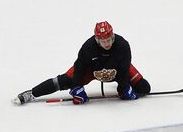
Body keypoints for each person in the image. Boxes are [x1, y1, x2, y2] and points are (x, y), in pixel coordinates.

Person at [13, 21, 151, 105]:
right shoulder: (88, 47)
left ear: (112, 35)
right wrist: (76, 88)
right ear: (97, 39)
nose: (107, 43)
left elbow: (124, 68)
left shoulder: (123, 45)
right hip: (92, 70)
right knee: (64, 80)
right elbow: (79, 68)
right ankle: (31, 93)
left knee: (144, 88)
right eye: (103, 41)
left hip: (118, 70)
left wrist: (123, 89)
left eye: (109, 39)